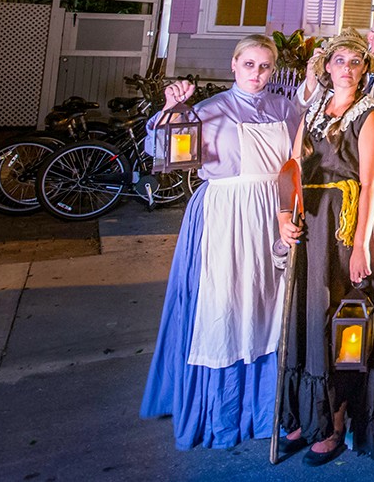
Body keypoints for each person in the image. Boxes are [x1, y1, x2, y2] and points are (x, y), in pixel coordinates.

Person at [140, 34, 300, 450]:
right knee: (225, 307)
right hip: (226, 216)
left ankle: (269, 408)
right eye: (249, 65)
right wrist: (172, 110)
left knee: (269, 305)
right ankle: (223, 412)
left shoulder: (287, 109)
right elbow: (162, 153)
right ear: (234, 64)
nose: (257, 74)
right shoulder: (208, 110)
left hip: (274, 214)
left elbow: (301, 161)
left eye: (265, 66)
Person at [276, 31, 374, 466]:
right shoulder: (312, 110)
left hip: (343, 230)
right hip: (310, 226)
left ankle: (334, 420)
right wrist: (283, 218)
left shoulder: (370, 117)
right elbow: (292, 169)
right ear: (326, 66)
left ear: (364, 69)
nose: (347, 68)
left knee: (341, 324)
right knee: (307, 319)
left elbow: (368, 186)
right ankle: (305, 417)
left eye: (355, 62)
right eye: (339, 60)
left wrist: (361, 246)